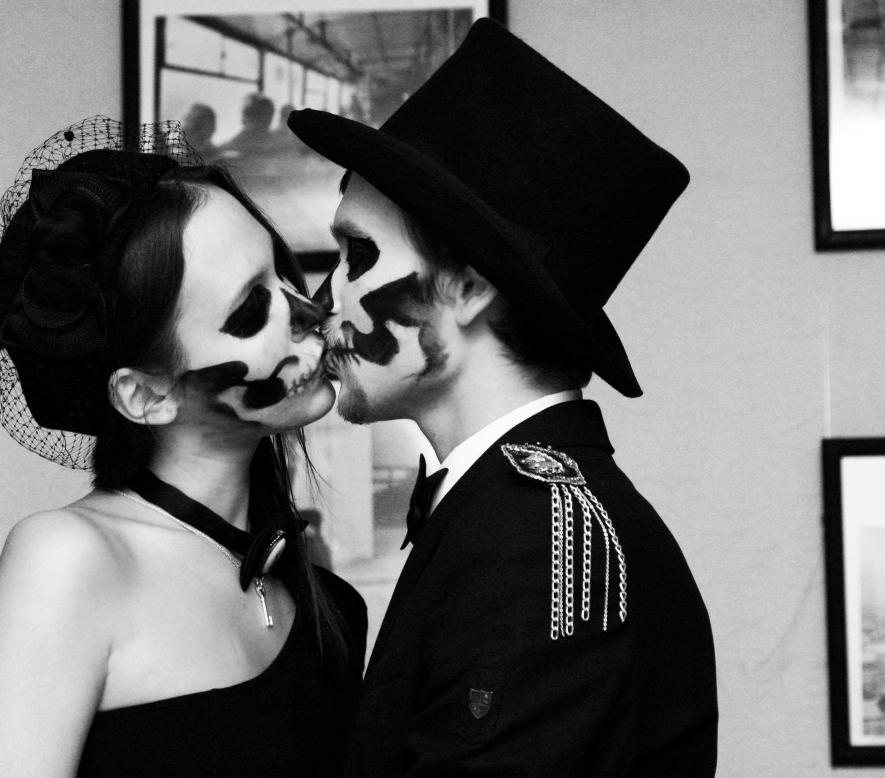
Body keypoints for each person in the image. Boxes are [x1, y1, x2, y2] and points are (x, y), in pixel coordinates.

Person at [289, 19, 718, 776]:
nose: (326, 300)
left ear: (467, 286)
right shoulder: (508, 516)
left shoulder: (529, 544)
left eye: (358, 254)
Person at [0, 117, 366, 777]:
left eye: (282, 275)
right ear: (145, 396)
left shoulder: (328, 607)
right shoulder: (69, 560)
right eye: (250, 309)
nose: (307, 312)